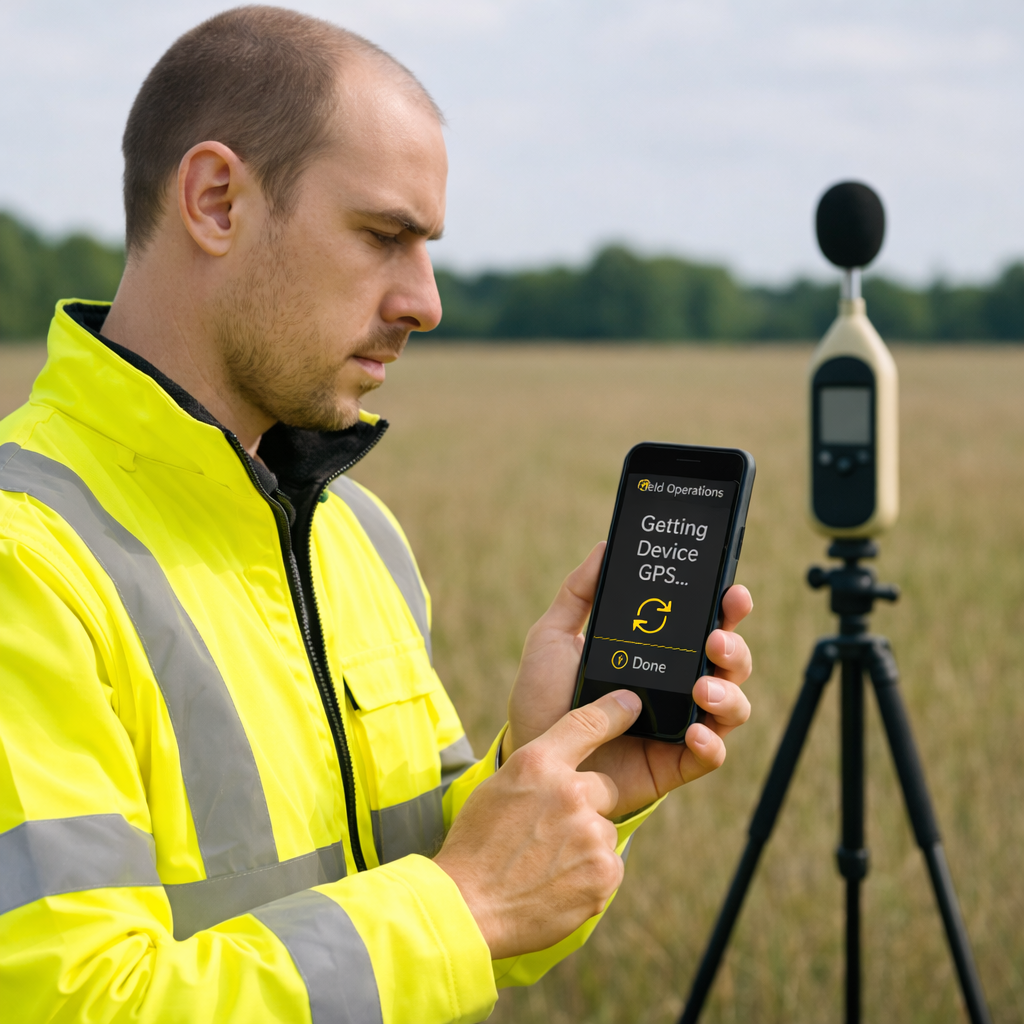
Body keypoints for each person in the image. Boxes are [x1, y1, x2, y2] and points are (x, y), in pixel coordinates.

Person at [0, 7, 753, 1022]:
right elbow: (74, 1003)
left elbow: (438, 912)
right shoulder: (25, 561)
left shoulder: (359, 535)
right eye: (384, 236)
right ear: (216, 200)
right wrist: (468, 902)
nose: (425, 300)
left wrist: (556, 772)